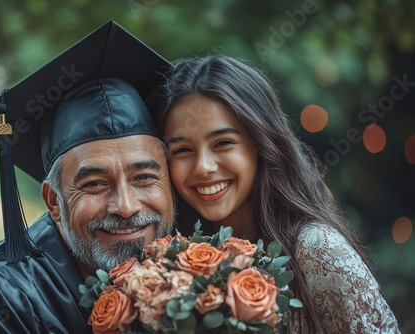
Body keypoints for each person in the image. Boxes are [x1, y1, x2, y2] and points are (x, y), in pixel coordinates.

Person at [0, 21, 175, 333]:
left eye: (144, 177)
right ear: (54, 200)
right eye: (94, 184)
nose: (126, 206)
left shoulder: (197, 277)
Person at [153, 55, 400, 333]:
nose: (203, 167)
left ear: (261, 143)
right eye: (182, 150)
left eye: (223, 143)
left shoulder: (317, 250)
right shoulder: (171, 261)